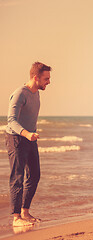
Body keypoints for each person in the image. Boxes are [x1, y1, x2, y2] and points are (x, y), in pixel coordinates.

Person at [5, 62, 52, 227]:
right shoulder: (20, 94)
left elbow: (30, 117)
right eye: (46, 78)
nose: (49, 82)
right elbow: (11, 121)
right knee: (17, 177)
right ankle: (16, 217)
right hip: (16, 138)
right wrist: (26, 134)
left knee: (34, 175)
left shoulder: (36, 93)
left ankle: (25, 212)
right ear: (36, 77)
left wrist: (32, 134)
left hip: (30, 138)